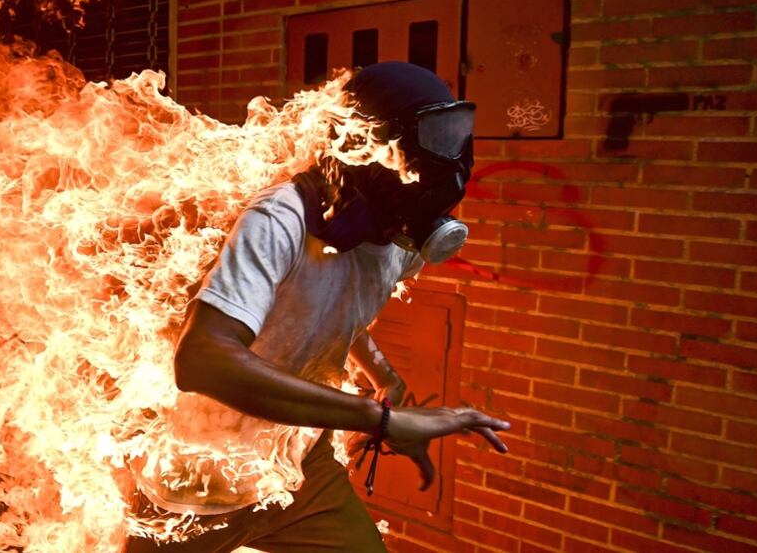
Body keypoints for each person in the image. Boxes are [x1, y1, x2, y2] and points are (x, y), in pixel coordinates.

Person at [125, 62, 510, 552]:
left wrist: (385, 381)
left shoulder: (400, 242)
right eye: (433, 137)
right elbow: (203, 358)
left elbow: (333, 308)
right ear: (364, 143)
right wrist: (379, 419)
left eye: (456, 135)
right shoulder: (279, 219)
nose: (448, 161)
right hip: (200, 481)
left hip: (300, 467)